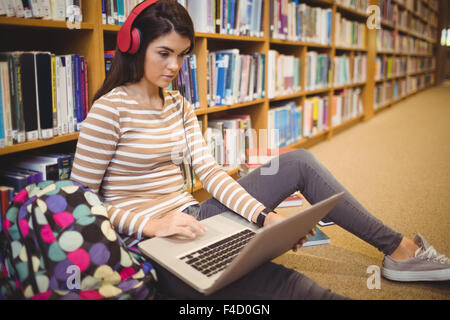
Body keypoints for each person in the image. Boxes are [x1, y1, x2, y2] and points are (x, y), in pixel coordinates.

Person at [70, 0, 450, 300]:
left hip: (195, 217)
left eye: (183, 55)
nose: (175, 66)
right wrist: (154, 225)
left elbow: (212, 174)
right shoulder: (110, 110)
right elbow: (79, 202)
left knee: (297, 162)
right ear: (134, 45)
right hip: (148, 246)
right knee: (293, 288)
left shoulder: (178, 105)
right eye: (165, 53)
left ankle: (401, 251)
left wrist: (264, 218)